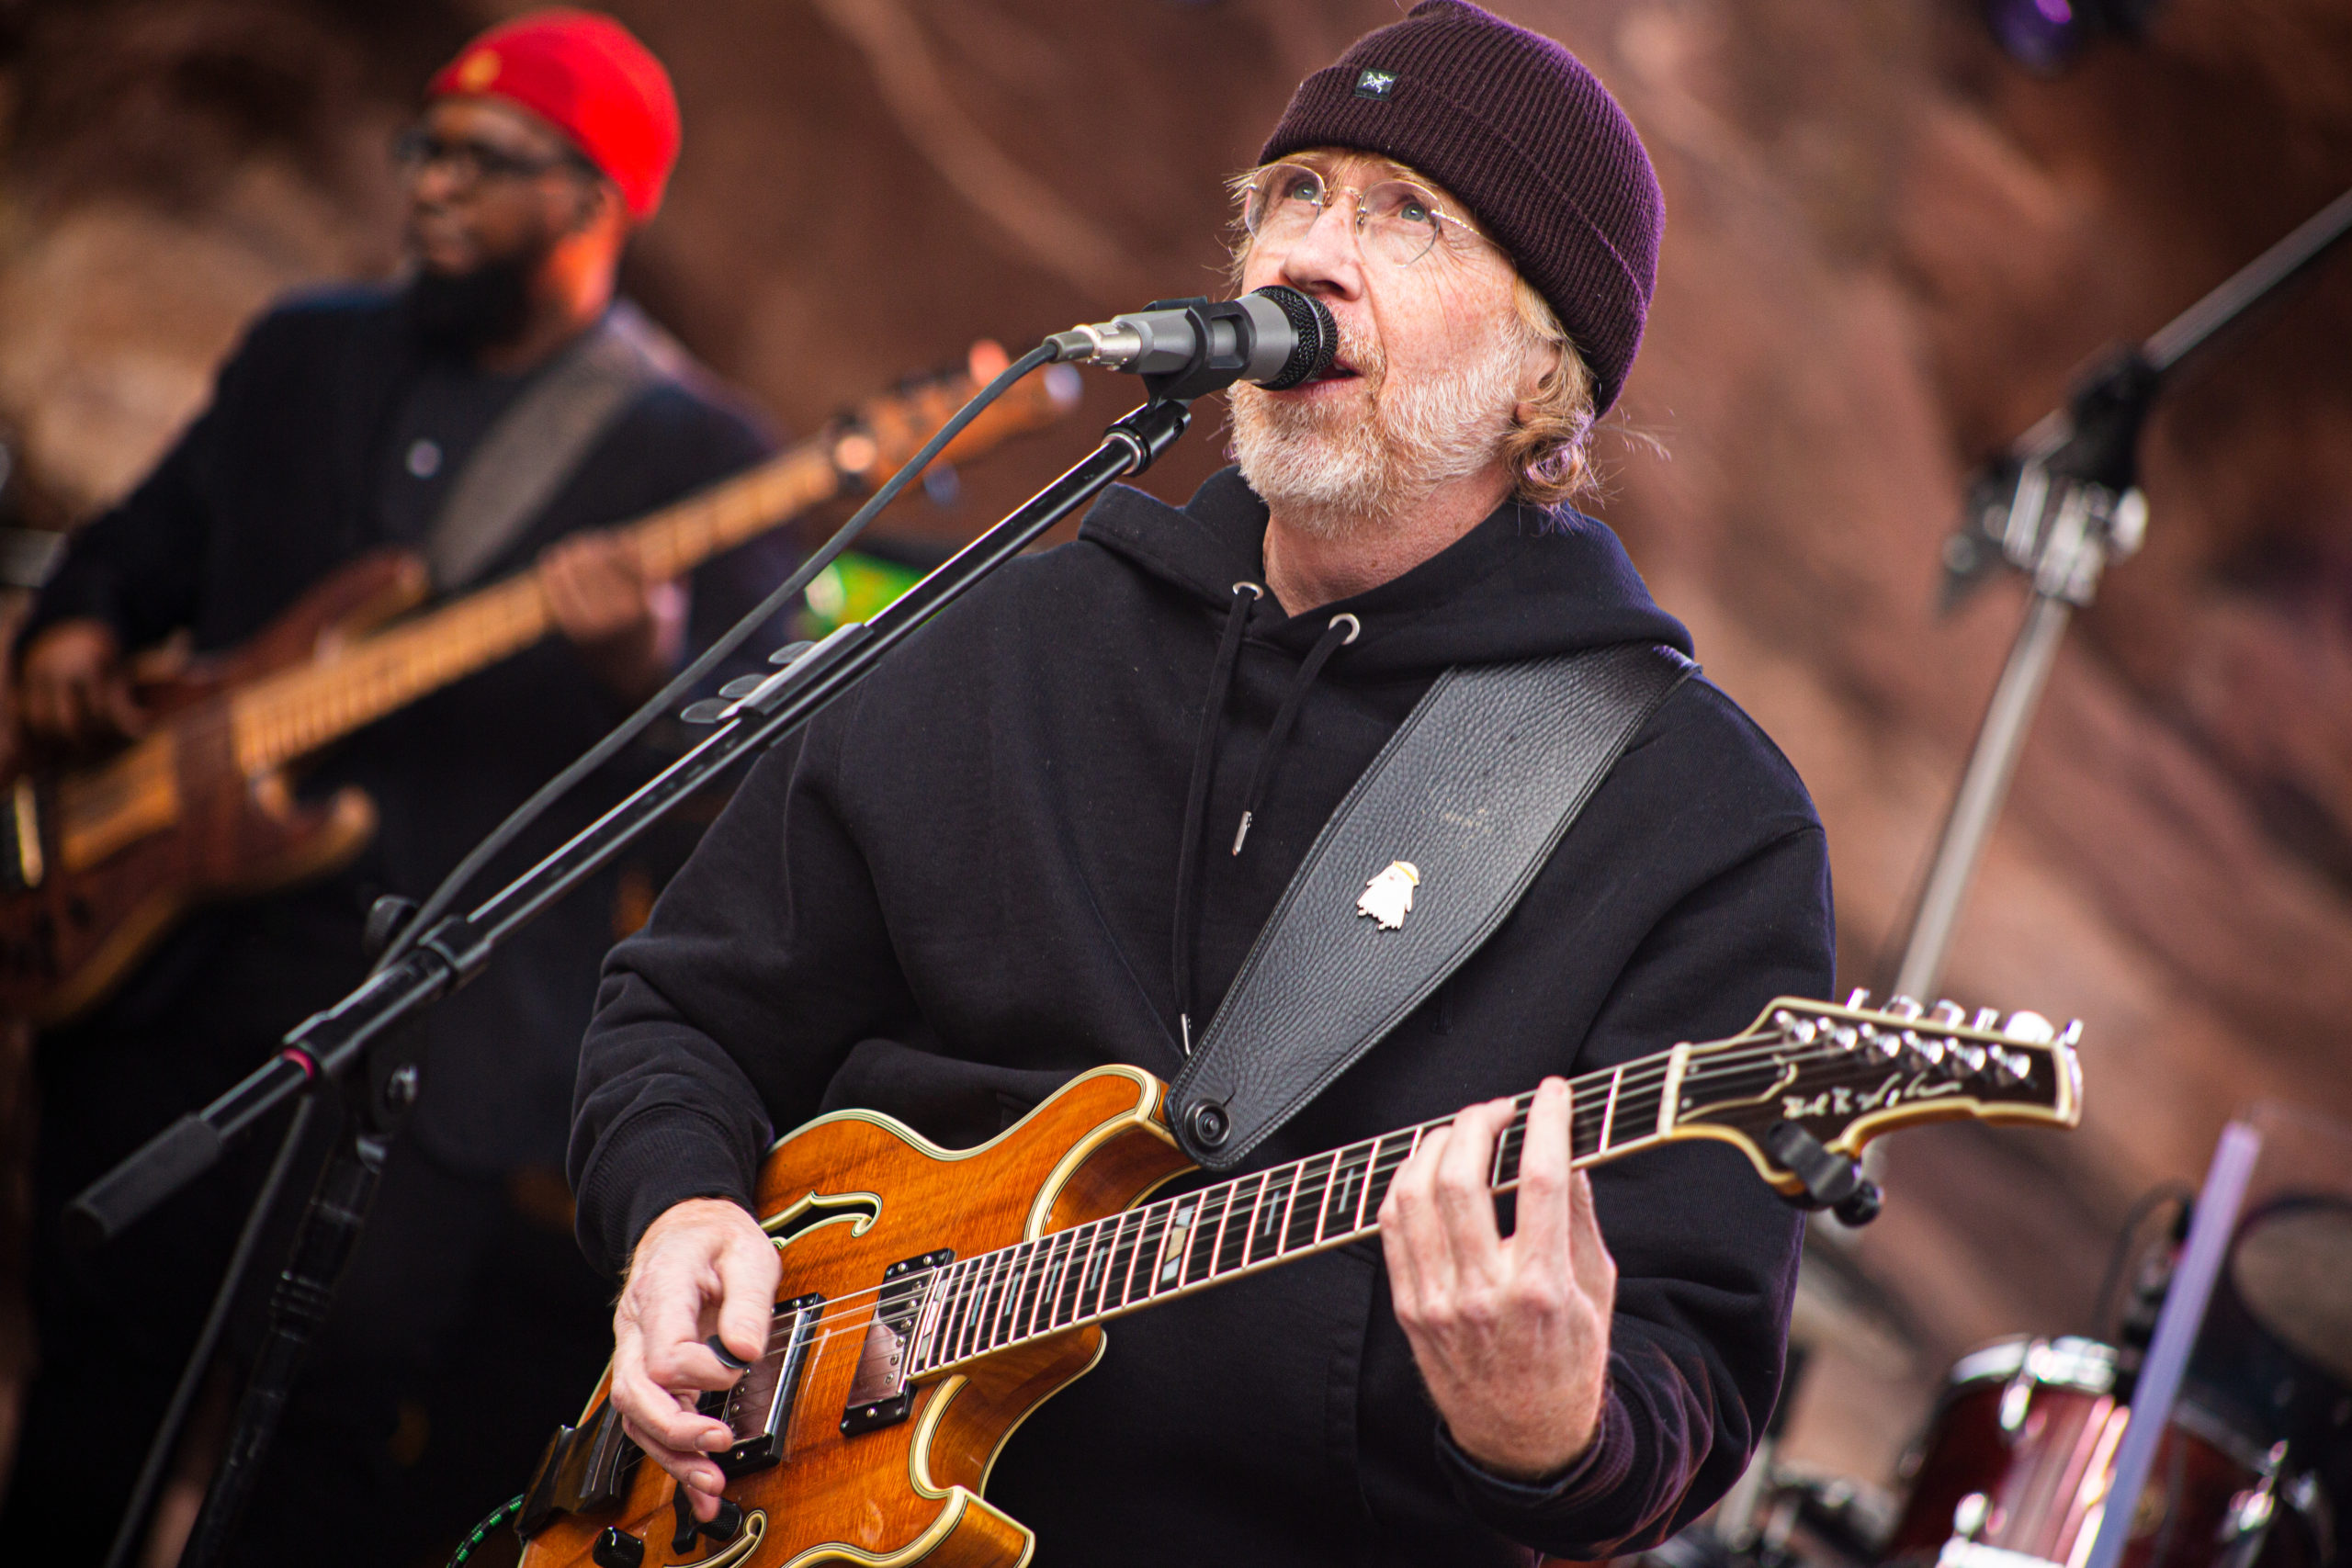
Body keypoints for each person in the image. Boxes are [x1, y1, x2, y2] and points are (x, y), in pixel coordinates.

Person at [571, 4, 1834, 1563]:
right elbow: (685, 1012)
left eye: (1405, 215)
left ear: (1543, 378)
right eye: (1292, 193)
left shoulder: (1695, 817)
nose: (1308, 250)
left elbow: (1685, 1386)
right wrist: (679, 1211)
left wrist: (1553, 1429)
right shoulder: (1013, 628)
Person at [1, 10, 794, 1560]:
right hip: (166, 987)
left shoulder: (701, 453)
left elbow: (741, 771)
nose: (429, 182)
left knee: (322, 1453)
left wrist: (645, 662)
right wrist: (78, 624)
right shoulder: (308, 350)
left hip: (428, 1057)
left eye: (480, 162)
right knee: (86, 1400)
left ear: (591, 201)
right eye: (423, 147)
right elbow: (138, 545)